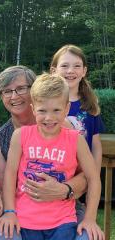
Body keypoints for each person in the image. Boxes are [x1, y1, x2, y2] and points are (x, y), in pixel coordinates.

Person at [0, 73, 103, 240]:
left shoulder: (76, 139)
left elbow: (94, 178)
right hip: (24, 219)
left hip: (62, 221)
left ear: (67, 109)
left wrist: (89, 218)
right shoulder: (20, 135)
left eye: (56, 110)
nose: (49, 117)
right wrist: (10, 211)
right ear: (33, 109)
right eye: (42, 111)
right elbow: (10, 174)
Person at [50, 44, 103, 173]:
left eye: (77, 66)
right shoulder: (46, 103)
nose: (70, 71)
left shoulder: (90, 103)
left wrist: (94, 176)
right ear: (53, 71)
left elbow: (96, 145)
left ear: (84, 71)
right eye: (64, 65)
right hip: (54, 173)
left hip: (83, 174)